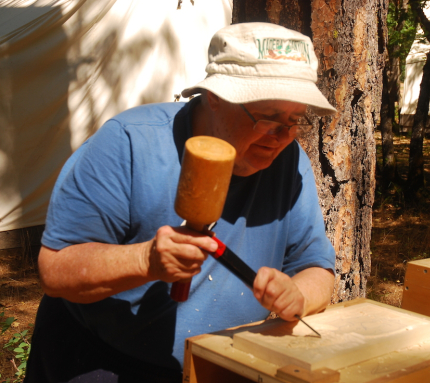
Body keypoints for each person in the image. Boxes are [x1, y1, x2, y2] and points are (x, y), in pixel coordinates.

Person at [25, 22, 337, 382]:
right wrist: (145, 260)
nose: (282, 136)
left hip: (224, 363)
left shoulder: (290, 163)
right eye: (268, 117)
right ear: (216, 96)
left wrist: (297, 294)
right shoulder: (129, 143)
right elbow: (56, 269)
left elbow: (317, 268)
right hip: (103, 359)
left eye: (294, 120)